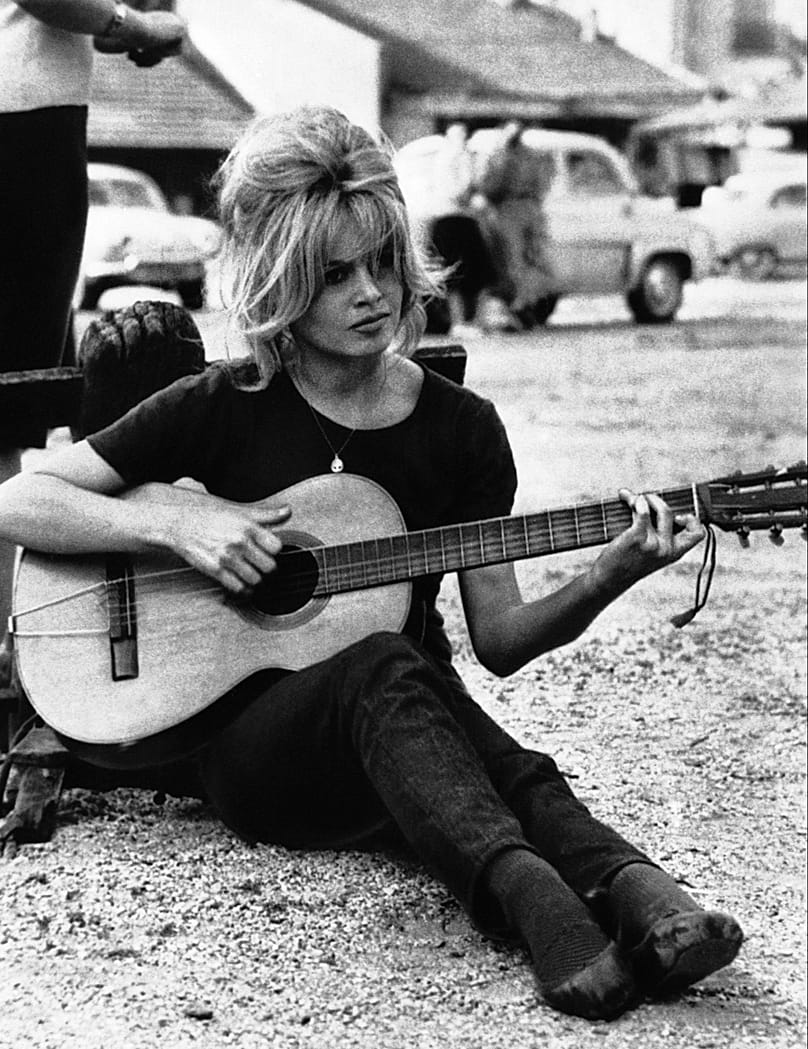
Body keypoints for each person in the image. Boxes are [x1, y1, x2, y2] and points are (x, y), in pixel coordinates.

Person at [0, 105, 743, 1022]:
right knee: (388, 667)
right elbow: (18, 501)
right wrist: (179, 527)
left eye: (383, 263)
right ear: (283, 280)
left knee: (460, 720)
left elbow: (501, 640)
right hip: (263, 759)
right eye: (335, 274)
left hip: (414, 737)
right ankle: (539, 901)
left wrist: (610, 572)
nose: (372, 294)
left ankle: (639, 894)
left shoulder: (461, 429)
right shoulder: (227, 403)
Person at [0, 0, 187, 681]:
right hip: (20, 122)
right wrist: (133, 25)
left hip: (26, 113)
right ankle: (8, 656)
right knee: (4, 412)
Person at [478, 120, 556, 328]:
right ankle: (529, 303)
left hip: (510, 209)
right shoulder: (532, 156)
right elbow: (542, 183)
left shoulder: (502, 156)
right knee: (532, 259)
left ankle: (520, 306)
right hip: (532, 209)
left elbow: (491, 186)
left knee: (514, 260)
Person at [427, 123, 494, 331]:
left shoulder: (467, 158)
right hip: (450, 218)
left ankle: (475, 321)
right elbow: (456, 191)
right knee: (453, 274)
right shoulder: (447, 159)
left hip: (465, 218)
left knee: (479, 271)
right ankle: (458, 322)